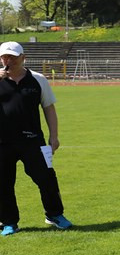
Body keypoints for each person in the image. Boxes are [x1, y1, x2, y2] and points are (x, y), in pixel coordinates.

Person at [0, 41, 73, 235]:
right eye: (5, 57)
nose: (9, 60)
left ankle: (54, 214)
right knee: (3, 183)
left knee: (46, 178)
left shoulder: (38, 80)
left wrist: (54, 136)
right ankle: (9, 222)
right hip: (2, 142)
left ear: (23, 57)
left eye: (13, 57)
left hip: (32, 140)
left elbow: (49, 108)